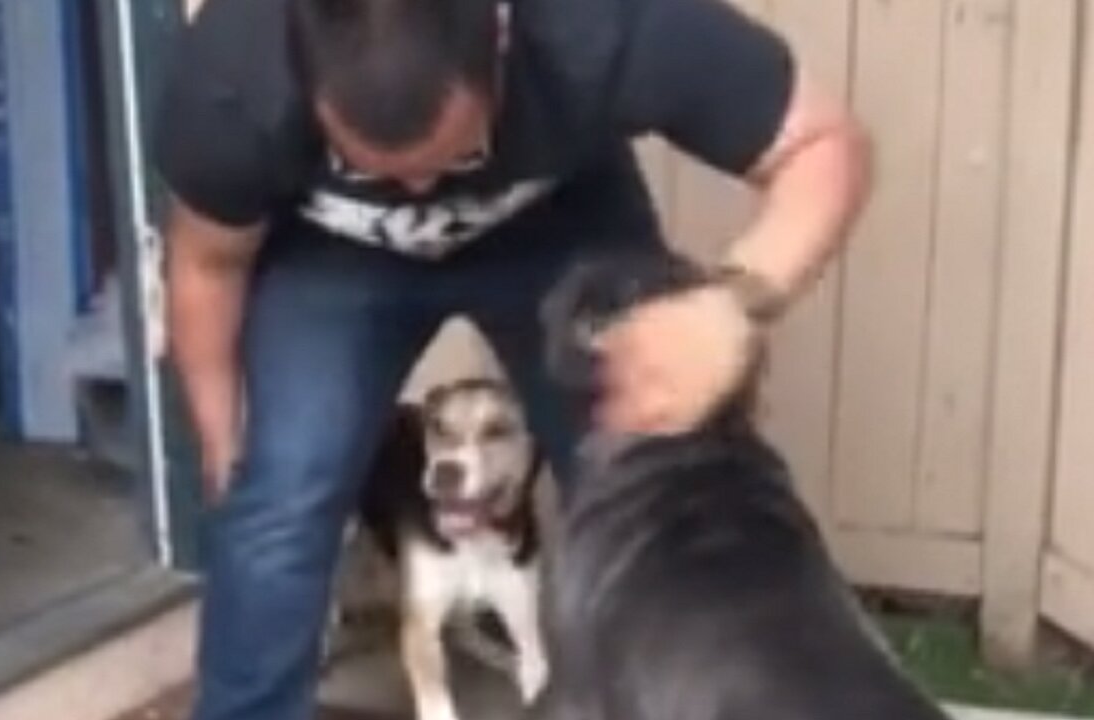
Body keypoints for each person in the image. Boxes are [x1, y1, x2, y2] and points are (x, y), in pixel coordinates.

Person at [152, 0, 871, 715]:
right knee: (276, 504)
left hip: (555, 222)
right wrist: (225, 444)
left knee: (676, 468)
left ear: (501, 37)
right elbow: (207, 267)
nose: (421, 193)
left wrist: (734, 302)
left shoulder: (603, 24)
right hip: (328, 256)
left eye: (453, 156)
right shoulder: (233, 73)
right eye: (370, 167)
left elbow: (823, 144)